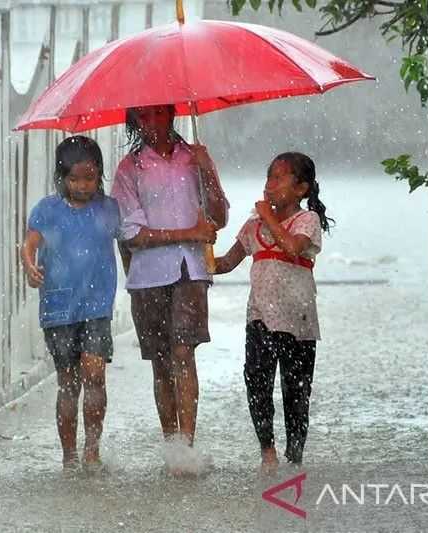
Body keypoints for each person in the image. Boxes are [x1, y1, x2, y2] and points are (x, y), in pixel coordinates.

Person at [111, 104, 229, 465]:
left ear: (172, 114)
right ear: (136, 122)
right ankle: (171, 443)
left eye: (158, 114)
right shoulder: (130, 169)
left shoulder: (193, 159)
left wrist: (207, 170)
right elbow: (131, 233)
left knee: (183, 353)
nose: (151, 124)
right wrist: (187, 232)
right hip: (147, 276)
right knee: (161, 362)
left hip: (190, 271)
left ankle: (187, 445)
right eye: (143, 117)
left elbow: (219, 217)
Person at [214, 152, 332, 473]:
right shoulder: (253, 227)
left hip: (298, 321)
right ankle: (267, 450)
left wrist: (268, 217)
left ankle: (295, 456)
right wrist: (201, 245)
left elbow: (293, 248)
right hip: (260, 318)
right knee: (257, 383)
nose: (270, 185)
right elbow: (224, 263)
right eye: (269, 177)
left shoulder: (307, 221)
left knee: (296, 391)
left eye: (279, 178)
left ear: (301, 189)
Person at [20, 135, 120, 471]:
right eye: (74, 179)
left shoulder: (108, 209)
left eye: (89, 178)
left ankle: (92, 448)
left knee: (95, 374)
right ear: (61, 177)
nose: (81, 185)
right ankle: (68, 455)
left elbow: (128, 244)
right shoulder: (47, 210)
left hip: (96, 305)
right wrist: (30, 266)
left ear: (100, 175)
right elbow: (29, 244)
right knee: (68, 381)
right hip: (59, 307)